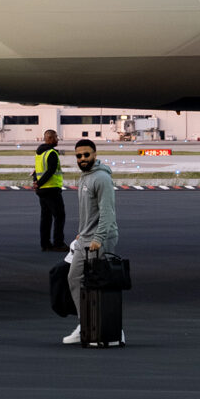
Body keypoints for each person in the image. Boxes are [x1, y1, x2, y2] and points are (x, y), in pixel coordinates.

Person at [62, 139, 121, 346]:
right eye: (79, 156)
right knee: (76, 278)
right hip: (86, 237)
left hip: (100, 238)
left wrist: (98, 238)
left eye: (87, 155)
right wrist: (82, 234)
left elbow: (107, 212)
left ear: (95, 154)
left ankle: (111, 328)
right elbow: (89, 213)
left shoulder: (101, 178)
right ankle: (87, 323)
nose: (83, 159)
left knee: (96, 283)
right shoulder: (84, 177)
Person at [33, 129, 68, 252]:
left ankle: (45, 244)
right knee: (59, 216)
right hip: (51, 189)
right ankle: (58, 243)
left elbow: (36, 171)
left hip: (42, 191)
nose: (57, 139)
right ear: (49, 139)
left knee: (46, 218)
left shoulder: (39, 153)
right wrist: (39, 183)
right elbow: (51, 171)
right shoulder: (51, 153)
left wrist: (36, 183)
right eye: (55, 137)